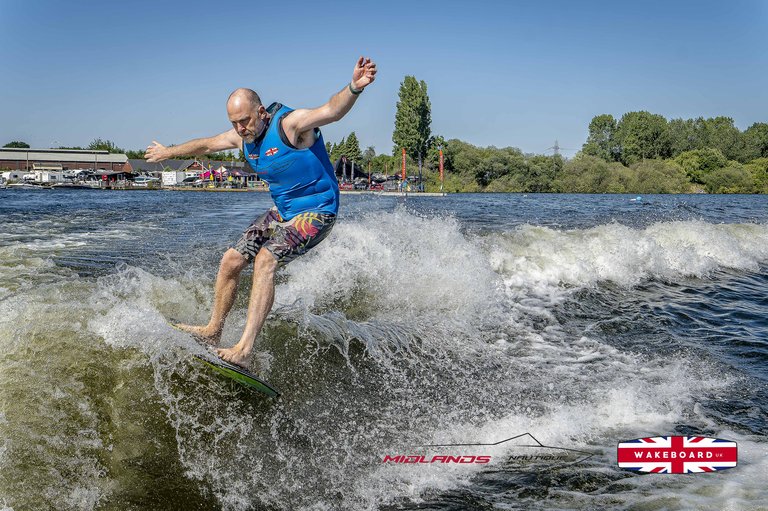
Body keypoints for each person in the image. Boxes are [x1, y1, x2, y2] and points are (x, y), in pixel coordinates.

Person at [145, 56, 377, 368]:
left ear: (261, 112)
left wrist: (354, 87)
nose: (240, 128)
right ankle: (213, 331)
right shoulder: (241, 138)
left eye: (245, 120)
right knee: (231, 260)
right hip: (283, 211)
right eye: (234, 123)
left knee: (266, 260)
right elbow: (205, 145)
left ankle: (244, 349)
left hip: (318, 212)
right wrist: (168, 152)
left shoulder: (290, 125)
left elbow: (331, 110)